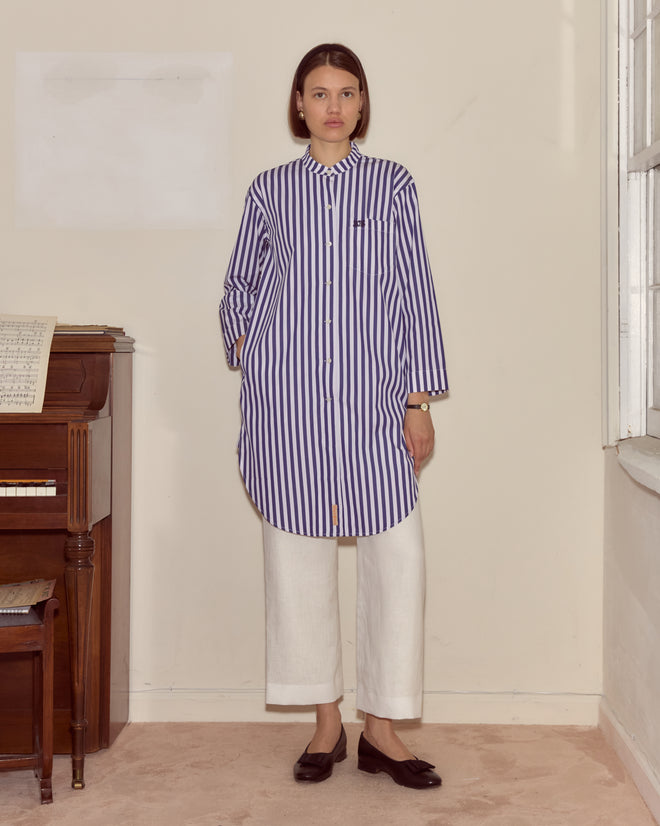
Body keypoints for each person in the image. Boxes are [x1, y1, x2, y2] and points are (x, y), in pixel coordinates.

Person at [219, 43, 448, 789]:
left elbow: (415, 293)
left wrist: (415, 400)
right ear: (298, 104)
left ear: (361, 102)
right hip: (289, 410)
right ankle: (327, 722)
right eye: (319, 92)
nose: (333, 106)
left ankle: (382, 728)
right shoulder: (270, 190)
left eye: (346, 92)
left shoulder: (390, 186)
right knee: (297, 565)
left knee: (397, 561)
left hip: (375, 404)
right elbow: (239, 286)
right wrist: (253, 348)